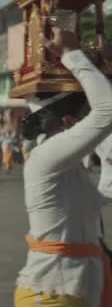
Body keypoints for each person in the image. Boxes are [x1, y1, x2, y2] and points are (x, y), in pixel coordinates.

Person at [14, 29, 112, 306]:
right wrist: (72, 54)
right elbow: (108, 110)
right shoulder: (45, 159)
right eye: (84, 117)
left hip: (74, 289)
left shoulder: (68, 166)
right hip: (51, 294)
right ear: (69, 122)